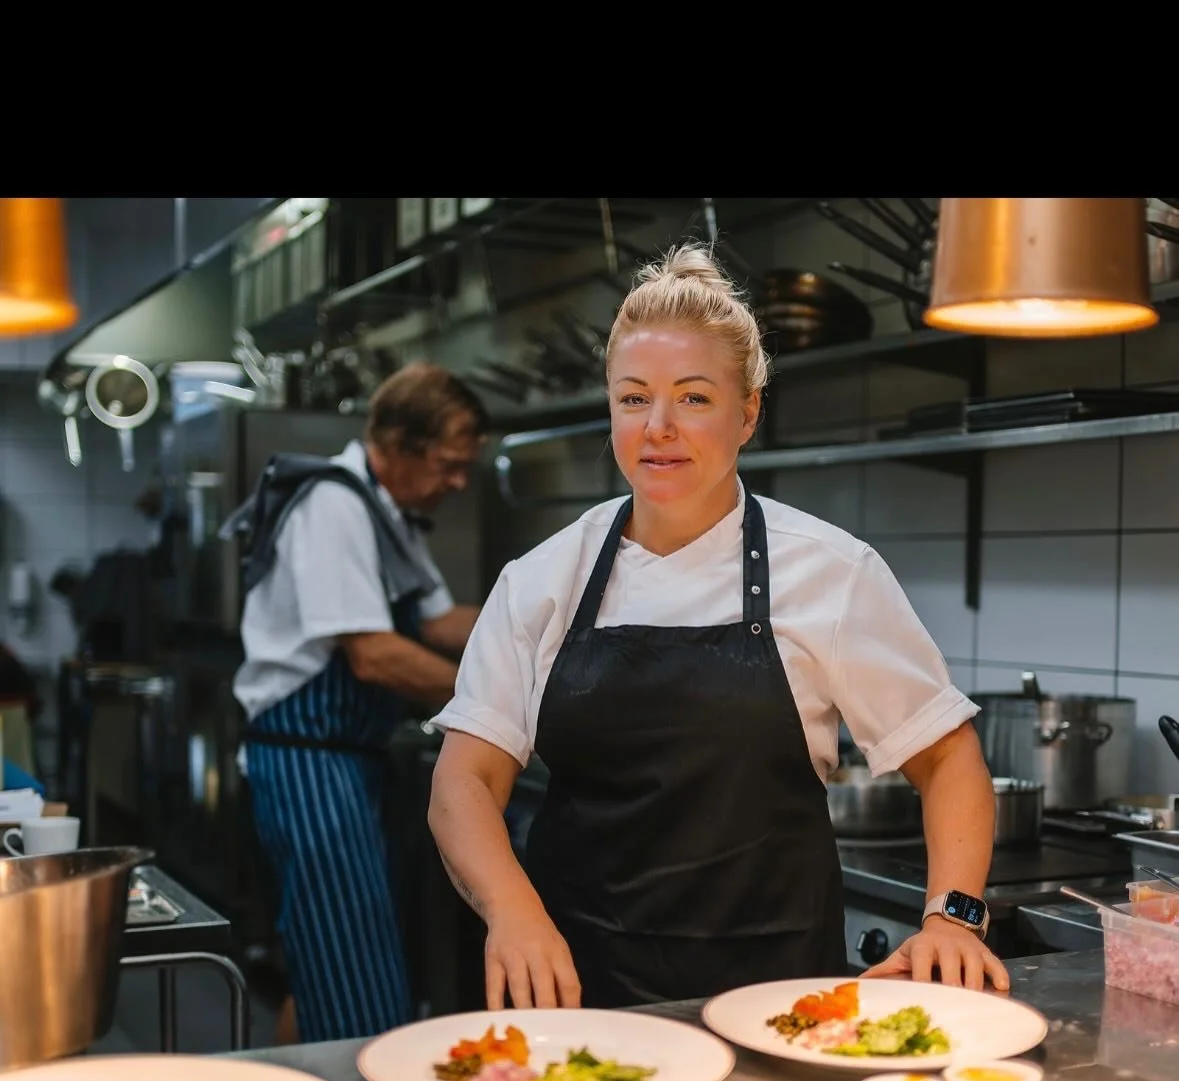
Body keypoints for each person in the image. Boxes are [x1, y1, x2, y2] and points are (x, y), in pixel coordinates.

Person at [426, 242, 1008, 1012]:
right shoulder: (542, 580)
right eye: (633, 399)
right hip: (579, 996)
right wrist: (512, 910)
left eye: (693, 398)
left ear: (748, 413)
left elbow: (947, 758)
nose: (658, 427)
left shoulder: (831, 572)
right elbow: (463, 781)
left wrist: (953, 919)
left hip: (780, 1003)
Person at [229, 361, 488, 1043]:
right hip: (307, 767)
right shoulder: (334, 505)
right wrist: (496, 701)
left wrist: (545, 623)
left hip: (349, 765)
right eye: (448, 464)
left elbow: (437, 621)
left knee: (326, 970)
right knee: (355, 984)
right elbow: (372, 653)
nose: (458, 482)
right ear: (398, 444)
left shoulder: (387, 511)